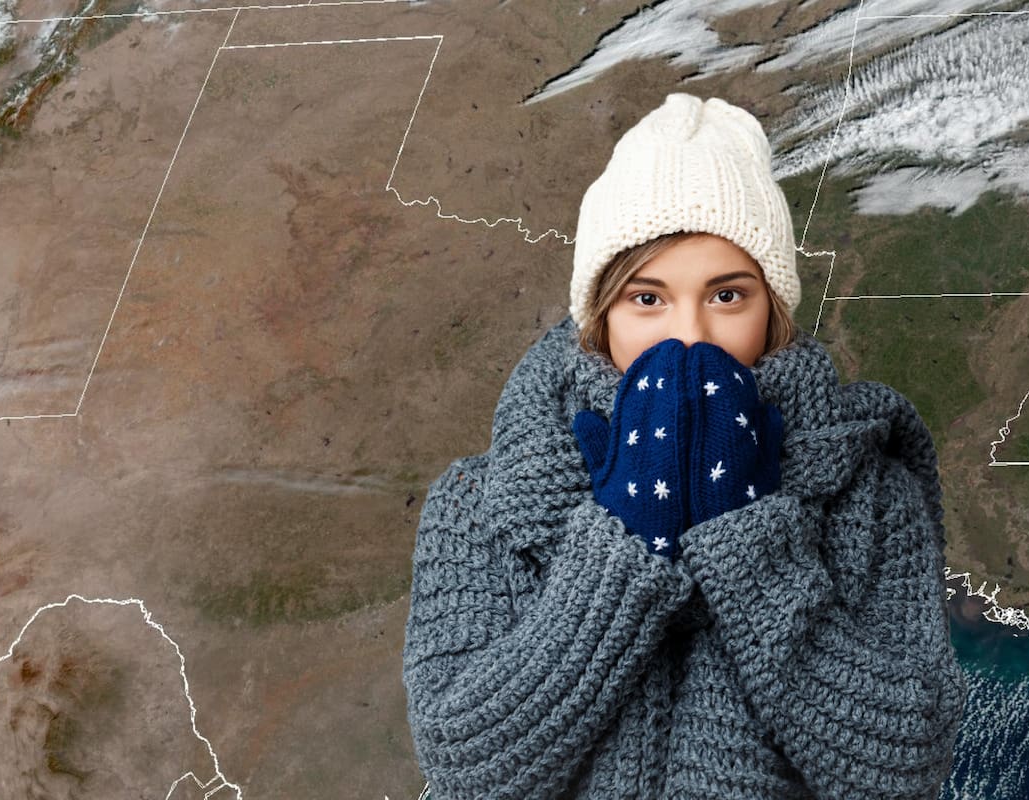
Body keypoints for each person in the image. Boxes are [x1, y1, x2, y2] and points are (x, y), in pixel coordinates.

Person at [401, 93, 968, 799]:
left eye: (727, 296)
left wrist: (752, 548)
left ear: (774, 307)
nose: (689, 336)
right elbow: (465, 763)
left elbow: (907, 763)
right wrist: (622, 546)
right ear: (599, 313)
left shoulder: (869, 489)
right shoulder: (481, 501)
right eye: (648, 298)